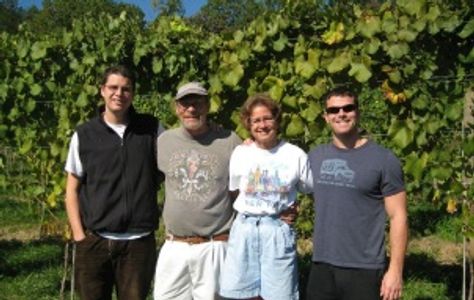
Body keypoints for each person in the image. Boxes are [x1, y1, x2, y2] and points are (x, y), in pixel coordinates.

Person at [64, 65, 164, 300]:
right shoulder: (84, 135)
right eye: (113, 87)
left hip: (138, 244)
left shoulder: (151, 129)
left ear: (133, 93)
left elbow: (180, 157)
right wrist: (80, 237)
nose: (119, 93)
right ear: (102, 90)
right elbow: (71, 190)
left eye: (126, 89)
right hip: (95, 243)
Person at [306, 87, 408, 300]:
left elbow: (398, 216)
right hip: (321, 267)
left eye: (348, 108)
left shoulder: (384, 160)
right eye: (334, 110)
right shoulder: (314, 157)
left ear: (358, 112)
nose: (341, 114)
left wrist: (395, 271)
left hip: (365, 269)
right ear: (326, 117)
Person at [219, 94, 313, 300]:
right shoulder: (240, 153)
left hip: (277, 230)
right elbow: (235, 190)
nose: (262, 125)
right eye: (256, 120)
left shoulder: (295, 155)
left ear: (277, 120)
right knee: (244, 294)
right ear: (248, 124)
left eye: (267, 118)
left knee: (279, 294)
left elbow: (307, 189)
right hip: (245, 228)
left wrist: (293, 207)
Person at [153, 82, 242, 300]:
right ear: (177, 108)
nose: (191, 109)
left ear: (208, 106)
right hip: (175, 246)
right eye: (185, 104)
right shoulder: (164, 142)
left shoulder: (230, 141)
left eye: (197, 103)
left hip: (214, 245)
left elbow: (241, 193)